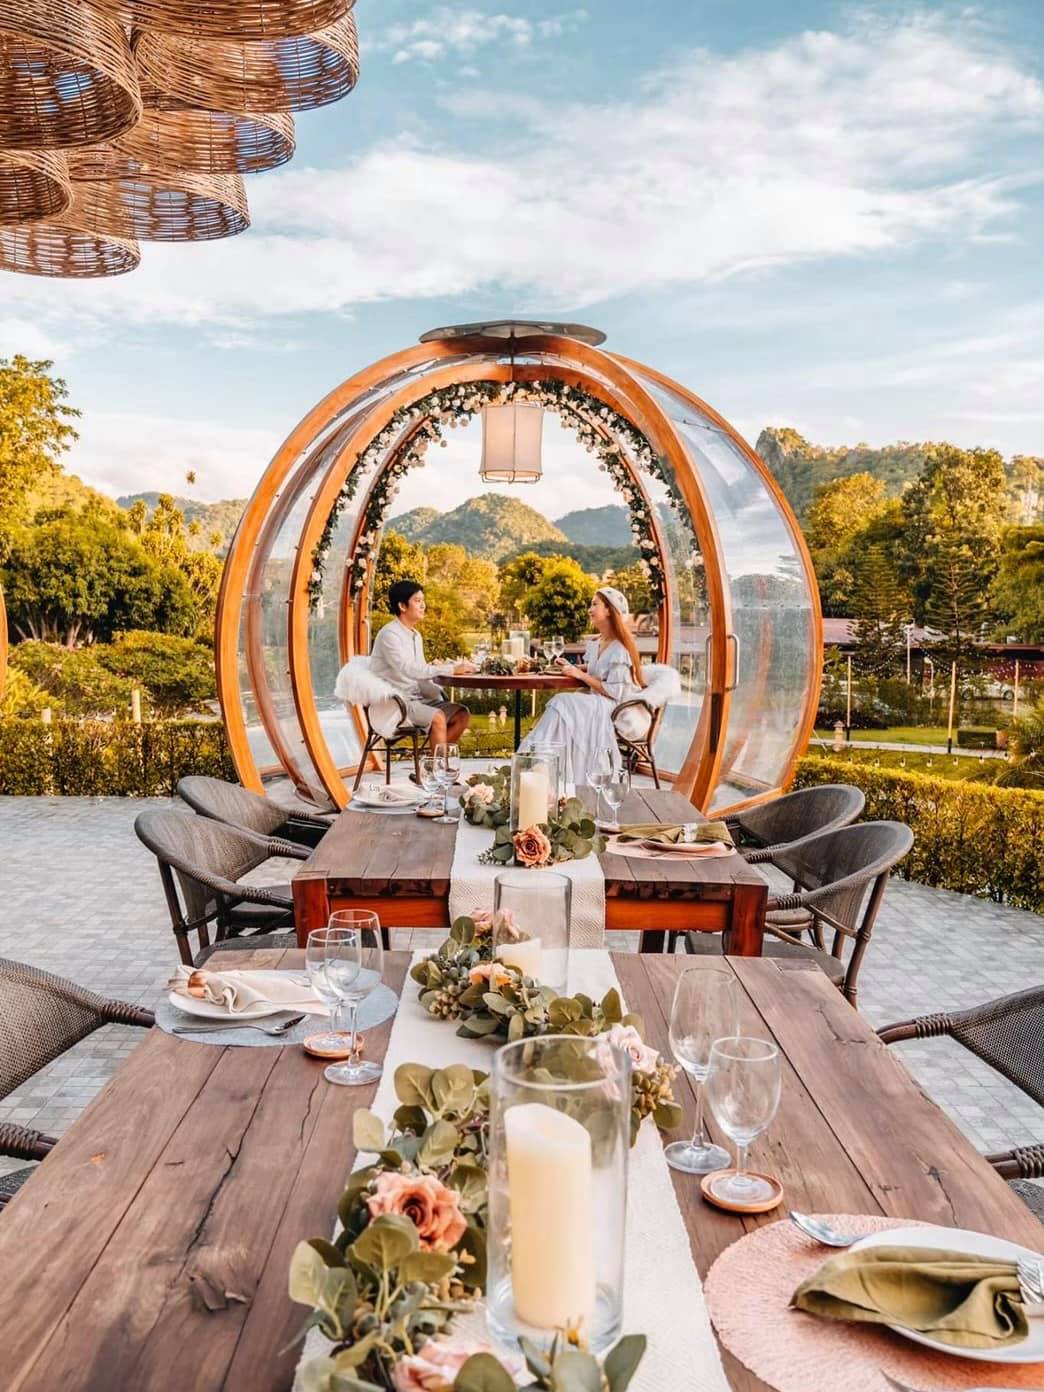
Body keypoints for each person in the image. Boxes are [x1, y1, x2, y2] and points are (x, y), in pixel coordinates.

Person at [519, 586, 645, 787]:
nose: (589, 609)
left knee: (561, 702)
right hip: (595, 701)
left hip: (611, 707)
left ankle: (537, 760)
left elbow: (615, 691)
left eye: (595, 604)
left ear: (610, 610)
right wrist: (575, 667)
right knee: (563, 705)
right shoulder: (599, 642)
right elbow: (596, 667)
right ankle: (542, 762)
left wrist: (578, 674)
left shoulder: (620, 649)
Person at [368, 579, 476, 752]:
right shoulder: (389, 634)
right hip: (395, 704)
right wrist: (451, 669)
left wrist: (437, 692)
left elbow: (421, 672)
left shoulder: (415, 635)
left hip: (417, 699)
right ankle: (437, 771)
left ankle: (434, 765)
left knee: (461, 714)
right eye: (417, 601)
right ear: (402, 606)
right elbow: (409, 669)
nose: (423, 605)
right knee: (438, 717)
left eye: (422, 600)